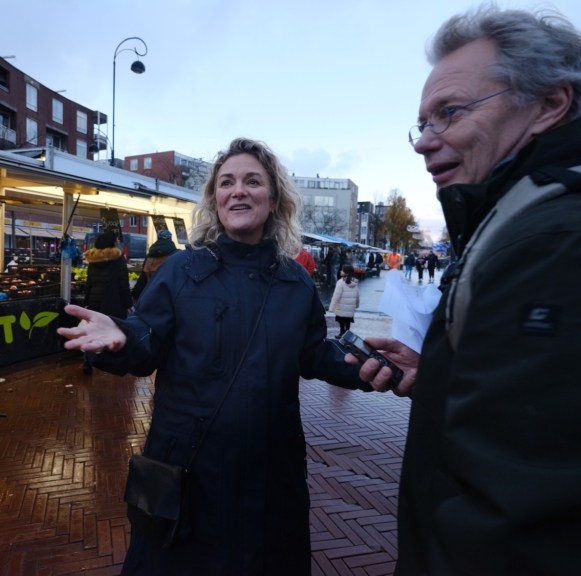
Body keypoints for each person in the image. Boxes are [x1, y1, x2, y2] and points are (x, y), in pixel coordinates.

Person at [348, 6, 581, 574]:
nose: (423, 142)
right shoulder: (520, 216)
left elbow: (521, 519)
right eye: (423, 122)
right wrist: (439, 380)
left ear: (549, 105)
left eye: (449, 113)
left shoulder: (553, 239)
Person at [58, 138, 366, 575]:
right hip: (189, 476)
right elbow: (147, 339)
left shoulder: (295, 283)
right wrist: (122, 338)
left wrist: (365, 369)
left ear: (274, 198)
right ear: (215, 199)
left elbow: (314, 353)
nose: (238, 190)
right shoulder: (182, 272)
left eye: (252, 181)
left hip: (270, 480)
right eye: (227, 182)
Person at [81, 231, 133, 374]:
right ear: (111, 243)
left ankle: (88, 360)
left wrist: (87, 302)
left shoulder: (94, 259)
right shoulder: (118, 258)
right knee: (115, 330)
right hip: (113, 300)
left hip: (95, 300)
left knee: (94, 331)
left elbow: (89, 282)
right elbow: (124, 284)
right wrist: (128, 304)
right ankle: (114, 361)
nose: (117, 243)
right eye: (116, 241)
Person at [131, 229, 179, 304]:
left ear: (158, 238)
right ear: (170, 238)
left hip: (151, 296)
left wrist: (135, 295)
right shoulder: (176, 255)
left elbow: (143, 280)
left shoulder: (150, 256)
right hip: (170, 297)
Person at [328, 264, 360, 338]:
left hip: (341, 306)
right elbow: (357, 295)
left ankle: (342, 333)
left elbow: (336, 296)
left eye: (342, 270)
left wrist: (331, 307)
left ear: (346, 272)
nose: (340, 271)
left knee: (341, 322)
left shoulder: (341, 282)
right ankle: (347, 334)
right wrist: (357, 304)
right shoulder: (354, 282)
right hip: (350, 307)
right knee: (348, 322)